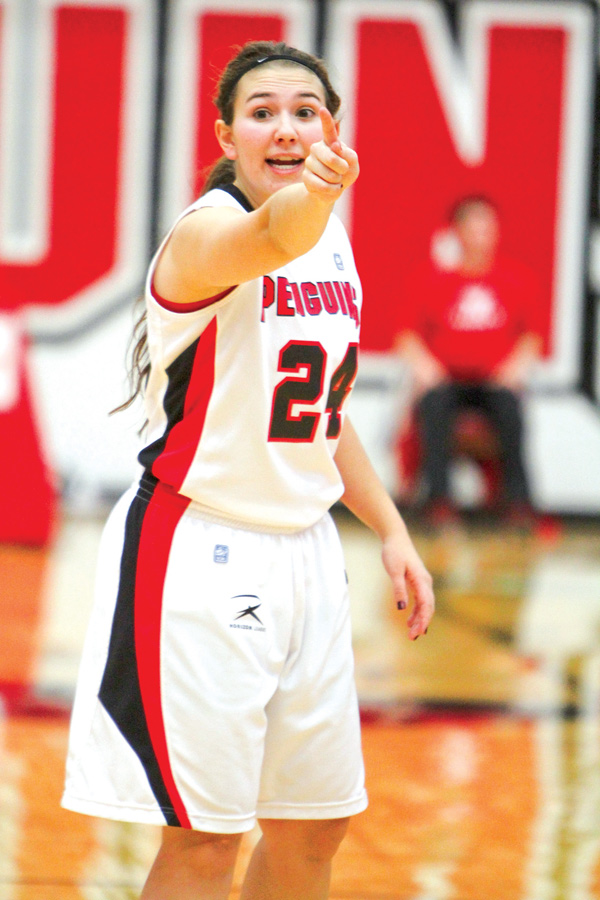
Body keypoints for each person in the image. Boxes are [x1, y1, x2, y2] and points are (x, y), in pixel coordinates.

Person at [61, 41, 434, 899]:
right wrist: (322, 190)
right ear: (227, 134)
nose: (285, 128)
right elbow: (276, 232)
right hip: (199, 547)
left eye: (305, 111)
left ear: (329, 126)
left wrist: (391, 527)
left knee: (314, 826)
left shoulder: (332, 239)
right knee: (205, 840)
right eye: (262, 112)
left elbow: (320, 413)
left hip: (306, 551)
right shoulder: (208, 232)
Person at [396, 195, 542, 526]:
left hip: (493, 383)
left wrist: (512, 370)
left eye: (487, 226)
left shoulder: (515, 279)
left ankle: (517, 503)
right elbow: (407, 336)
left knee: (510, 406)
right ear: (457, 231)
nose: (481, 233)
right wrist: (428, 371)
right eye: (473, 225)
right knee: (433, 404)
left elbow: (531, 337)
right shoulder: (432, 279)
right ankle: (438, 501)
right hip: (448, 380)